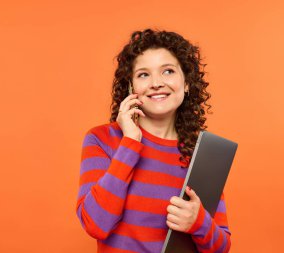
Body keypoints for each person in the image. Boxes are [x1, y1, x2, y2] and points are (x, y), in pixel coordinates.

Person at [76, 28, 231, 253]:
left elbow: (222, 247)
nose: (156, 83)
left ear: (187, 83)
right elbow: (95, 224)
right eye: (143, 74)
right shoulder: (102, 139)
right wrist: (130, 142)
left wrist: (199, 223)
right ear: (131, 87)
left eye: (168, 71)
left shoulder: (204, 155)